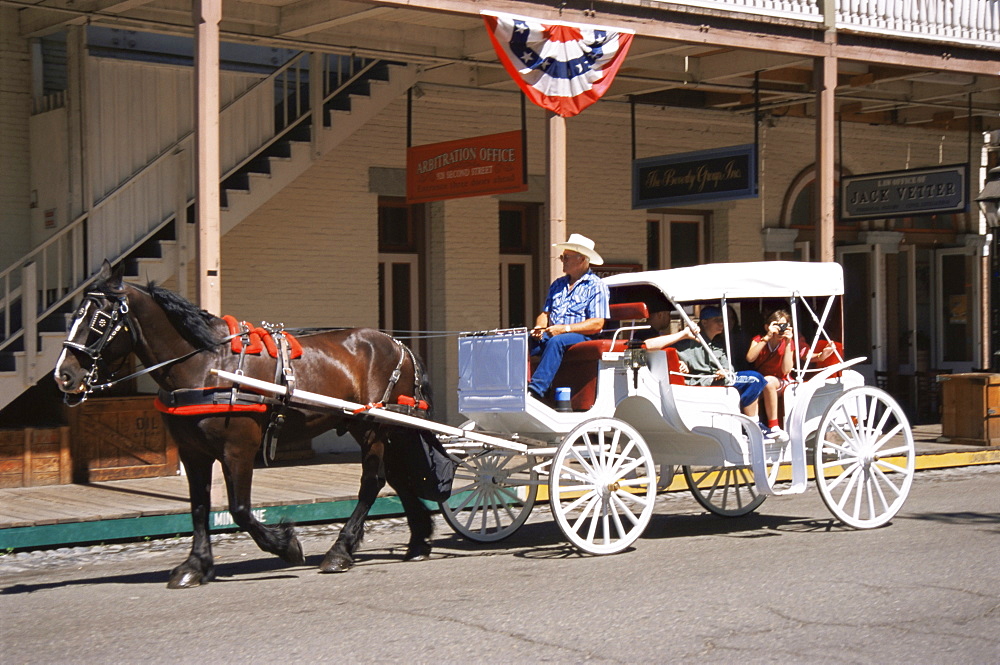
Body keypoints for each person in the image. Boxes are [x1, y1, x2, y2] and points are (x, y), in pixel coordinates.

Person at [644, 305, 782, 441]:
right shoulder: (687, 341)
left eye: (723, 320)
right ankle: (754, 427)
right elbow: (649, 346)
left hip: (717, 380)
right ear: (704, 322)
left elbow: (728, 367)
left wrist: (726, 370)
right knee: (755, 379)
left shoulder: (716, 344)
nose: (722, 324)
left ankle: (753, 425)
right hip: (700, 383)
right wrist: (682, 341)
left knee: (754, 379)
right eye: (717, 320)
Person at [527, 233, 610, 400]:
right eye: (562, 257)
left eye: (566, 257)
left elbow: (597, 324)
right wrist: (539, 328)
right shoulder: (558, 284)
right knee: (524, 341)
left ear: (581, 260)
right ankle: (514, 385)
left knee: (557, 341)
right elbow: (545, 313)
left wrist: (564, 329)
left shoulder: (596, 286)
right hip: (553, 333)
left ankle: (536, 390)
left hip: (583, 337)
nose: (562, 260)